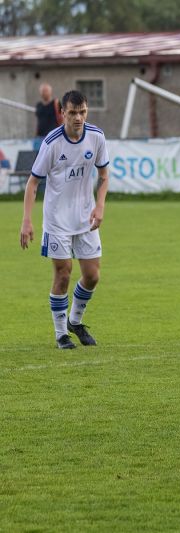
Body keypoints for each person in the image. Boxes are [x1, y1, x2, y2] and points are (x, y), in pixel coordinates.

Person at [19, 90, 110, 349]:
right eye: (72, 113)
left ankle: (75, 321)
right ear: (63, 113)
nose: (78, 118)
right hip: (57, 220)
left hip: (86, 218)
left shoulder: (96, 137)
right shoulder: (52, 142)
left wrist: (100, 205)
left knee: (92, 276)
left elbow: (104, 176)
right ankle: (61, 334)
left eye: (82, 112)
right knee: (63, 274)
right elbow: (33, 183)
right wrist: (27, 220)